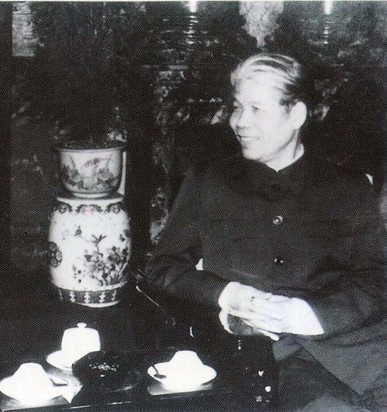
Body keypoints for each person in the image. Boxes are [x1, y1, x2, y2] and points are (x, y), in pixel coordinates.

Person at [143, 53, 387, 411]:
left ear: (296, 115)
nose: (239, 122)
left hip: (361, 351)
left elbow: (378, 278)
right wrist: (228, 295)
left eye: (256, 109)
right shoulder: (209, 181)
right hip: (268, 363)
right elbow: (162, 267)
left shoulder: (347, 187)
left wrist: (313, 314)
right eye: (237, 107)